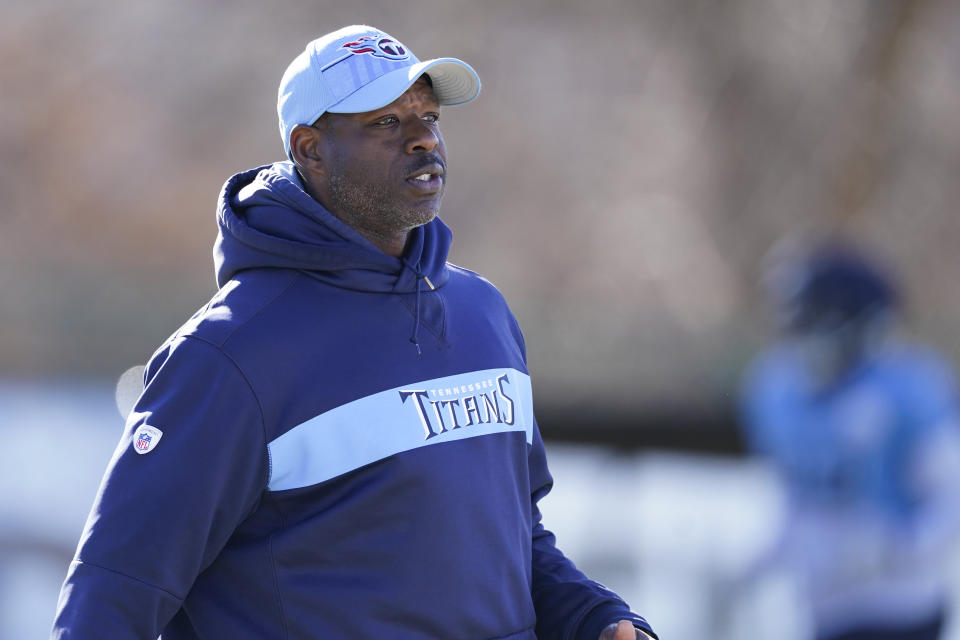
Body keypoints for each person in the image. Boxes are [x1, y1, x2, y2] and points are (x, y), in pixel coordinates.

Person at [51, 25, 656, 640]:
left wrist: (595, 619)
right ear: (310, 148)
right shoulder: (228, 356)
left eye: (428, 115)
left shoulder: (485, 315)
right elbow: (112, 594)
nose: (423, 139)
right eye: (385, 124)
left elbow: (515, 538)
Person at [739, 240, 960, 640]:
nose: (804, 340)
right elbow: (799, 491)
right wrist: (771, 554)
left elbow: (951, 500)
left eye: (815, 323)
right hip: (825, 609)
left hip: (900, 609)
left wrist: (898, 548)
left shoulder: (909, 392)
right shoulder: (778, 388)